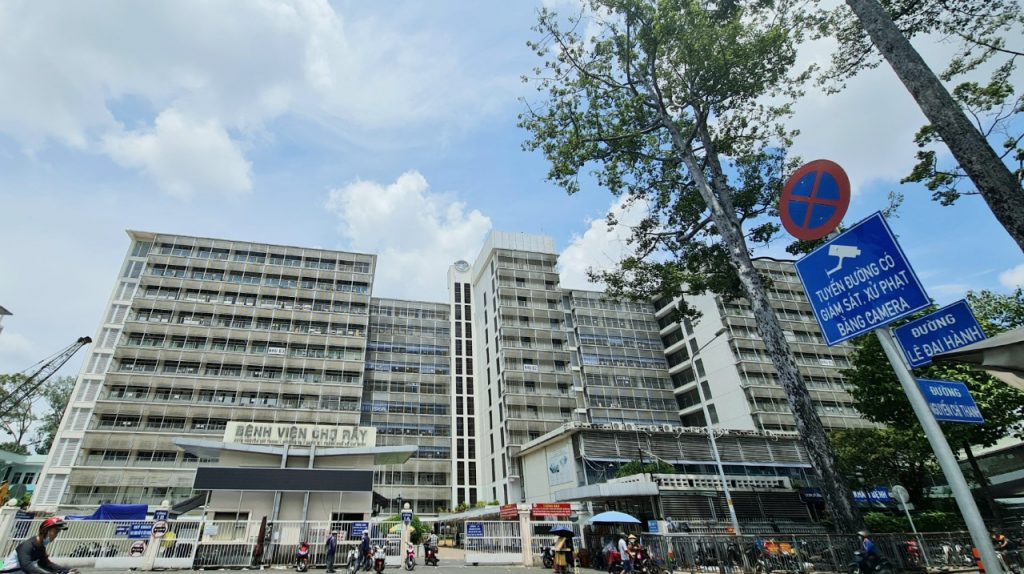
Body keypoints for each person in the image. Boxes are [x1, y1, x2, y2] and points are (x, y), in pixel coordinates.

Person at [1, 516, 77, 574]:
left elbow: (45, 564)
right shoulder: (27, 546)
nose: (55, 536)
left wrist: (67, 570)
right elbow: (26, 566)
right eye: (55, 532)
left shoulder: (40, 546)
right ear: (45, 530)